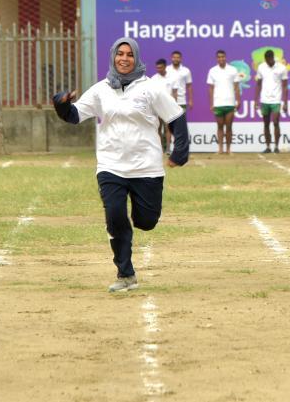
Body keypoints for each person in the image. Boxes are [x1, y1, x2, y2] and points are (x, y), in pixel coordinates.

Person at [53, 37, 188, 292]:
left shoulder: (150, 88)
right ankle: (125, 273)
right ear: (113, 56)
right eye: (119, 54)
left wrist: (179, 152)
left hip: (146, 167)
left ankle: (138, 224)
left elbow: (176, 118)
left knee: (146, 221)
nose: (123, 59)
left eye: (129, 54)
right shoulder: (101, 89)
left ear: (136, 58)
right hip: (110, 166)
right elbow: (74, 115)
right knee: (115, 216)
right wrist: (61, 105)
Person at [206, 50, 240, 155]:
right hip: (218, 103)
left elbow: (237, 87)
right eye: (219, 57)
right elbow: (210, 88)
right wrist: (211, 103)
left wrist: (238, 100)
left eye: (223, 57)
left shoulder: (233, 70)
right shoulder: (212, 71)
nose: (221, 58)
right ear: (217, 58)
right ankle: (220, 149)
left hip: (230, 102)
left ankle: (229, 149)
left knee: (229, 127)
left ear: (226, 57)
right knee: (220, 126)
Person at [254, 49, 287, 154]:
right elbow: (258, 84)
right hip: (264, 100)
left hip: (276, 100)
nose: (269, 61)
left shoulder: (282, 68)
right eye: (267, 59)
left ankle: (276, 146)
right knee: (266, 124)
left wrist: (285, 102)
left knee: (276, 122)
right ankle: (268, 147)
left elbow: (285, 86)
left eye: (270, 59)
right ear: (265, 59)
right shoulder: (261, 67)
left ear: (273, 57)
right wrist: (256, 100)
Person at [152, 58, 178, 152]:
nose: (159, 69)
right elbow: (151, 94)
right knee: (158, 128)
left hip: (168, 107)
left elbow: (175, 93)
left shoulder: (172, 77)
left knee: (168, 129)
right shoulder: (154, 78)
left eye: (161, 67)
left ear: (165, 67)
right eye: (157, 68)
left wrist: (174, 106)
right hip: (157, 107)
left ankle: (168, 149)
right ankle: (159, 149)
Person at [166, 50, 193, 122]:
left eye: (178, 57)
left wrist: (190, 100)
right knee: (169, 124)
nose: (176, 59)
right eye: (174, 57)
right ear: (171, 58)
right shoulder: (166, 69)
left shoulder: (186, 70)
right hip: (168, 100)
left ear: (181, 59)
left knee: (181, 123)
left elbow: (189, 86)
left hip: (181, 101)